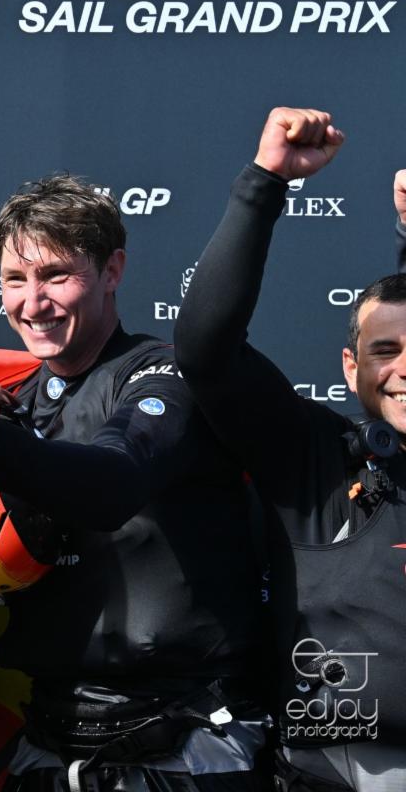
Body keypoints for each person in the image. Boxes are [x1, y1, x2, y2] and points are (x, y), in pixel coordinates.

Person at [0, 175, 269, 790]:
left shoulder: (164, 375)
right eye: (14, 280)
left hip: (184, 743)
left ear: (113, 270)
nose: (33, 303)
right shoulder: (13, 405)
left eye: (56, 275)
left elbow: (115, 483)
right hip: (47, 744)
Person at [175, 107, 406, 792]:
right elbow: (206, 351)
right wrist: (265, 182)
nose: (403, 369)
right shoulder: (315, 459)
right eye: (385, 351)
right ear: (349, 368)